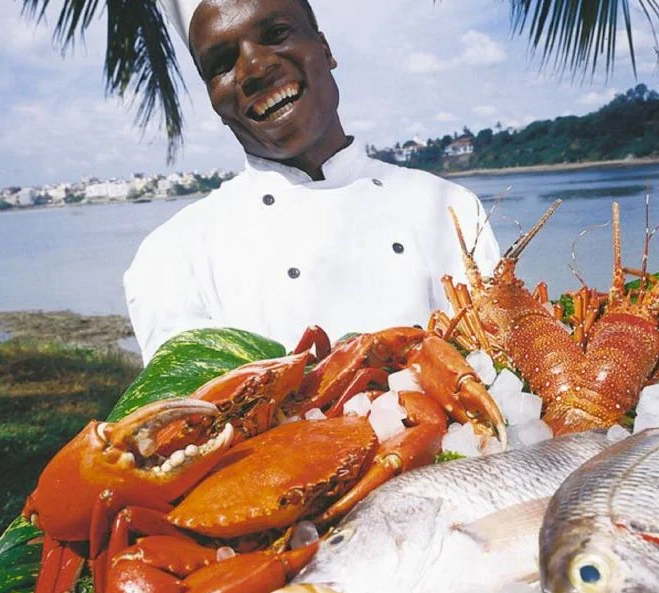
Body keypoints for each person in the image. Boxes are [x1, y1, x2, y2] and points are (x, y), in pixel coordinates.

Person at [125, 0, 501, 364]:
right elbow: (190, 404)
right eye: (221, 63)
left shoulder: (451, 209)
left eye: (276, 33)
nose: (254, 68)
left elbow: (504, 370)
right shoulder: (170, 258)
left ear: (325, 49)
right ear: (214, 100)